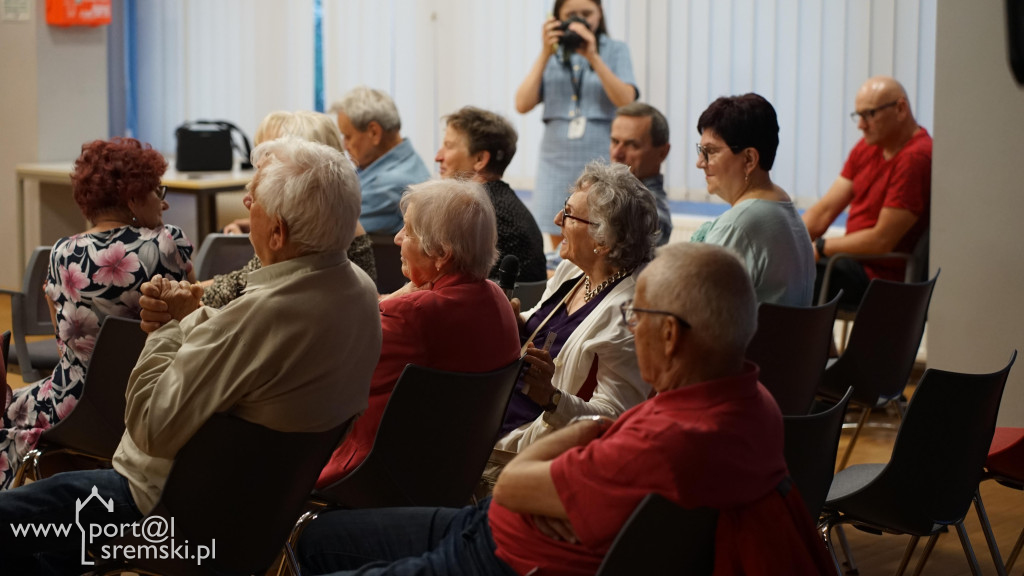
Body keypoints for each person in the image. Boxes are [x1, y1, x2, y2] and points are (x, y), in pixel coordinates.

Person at [295, 243, 835, 576]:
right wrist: (588, 453)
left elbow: (513, 484)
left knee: (315, 546)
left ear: (670, 334)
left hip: (497, 559)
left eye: (638, 317)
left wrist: (586, 437)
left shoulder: (660, 445)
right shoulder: (754, 406)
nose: (632, 329)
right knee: (319, 538)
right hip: (487, 528)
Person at [0, 137, 383, 573]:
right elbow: (242, 351)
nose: (245, 202)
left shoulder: (257, 318)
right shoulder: (360, 293)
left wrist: (168, 327)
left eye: (253, 198)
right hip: (254, 519)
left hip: (160, 509)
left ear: (278, 233)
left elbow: (148, 426)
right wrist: (193, 317)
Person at [0, 137, 194, 490]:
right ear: (133, 198)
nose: (163, 202)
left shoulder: (61, 253)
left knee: (7, 409)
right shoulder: (168, 244)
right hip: (155, 404)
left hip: (76, 408)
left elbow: (64, 345)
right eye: (157, 191)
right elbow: (193, 318)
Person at [316, 179, 521, 488]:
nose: (398, 238)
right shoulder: (497, 300)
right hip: (450, 475)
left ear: (442, 253)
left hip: (375, 476)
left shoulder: (412, 315)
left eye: (409, 231)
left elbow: (333, 376)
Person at [496, 162, 656, 452]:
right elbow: (542, 326)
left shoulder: (629, 314)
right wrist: (514, 319)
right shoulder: (573, 271)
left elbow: (614, 418)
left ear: (603, 241)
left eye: (569, 214)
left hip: (529, 447)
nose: (557, 219)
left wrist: (552, 398)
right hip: (497, 411)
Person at [204, 110, 377, 307]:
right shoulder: (337, 221)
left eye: (270, 161)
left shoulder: (300, 242)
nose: (259, 169)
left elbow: (240, 288)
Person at [515, 0, 637, 248]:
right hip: (555, 160)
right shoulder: (550, 54)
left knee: (601, 233)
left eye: (586, 13)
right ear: (557, 18)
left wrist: (593, 56)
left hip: (600, 156)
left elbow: (626, 100)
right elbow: (522, 103)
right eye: (571, 14)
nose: (579, 19)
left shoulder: (615, 50)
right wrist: (545, 52)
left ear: (599, 14)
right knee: (560, 236)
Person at [802, 76, 932, 307]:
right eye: (858, 116)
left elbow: (881, 240)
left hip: (880, 277)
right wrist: (787, 240)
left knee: (790, 279)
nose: (860, 125)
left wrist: (821, 247)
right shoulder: (867, 147)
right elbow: (824, 211)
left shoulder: (916, 157)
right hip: (850, 263)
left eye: (869, 115)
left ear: (900, 109)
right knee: (779, 268)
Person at [690, 93, 815, 306]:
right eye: (701, 151)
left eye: (710, 151)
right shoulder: (783, 207)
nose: (700, 163)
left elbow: (696, 308)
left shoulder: (738, 225)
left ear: (749, 159)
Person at [434, 106, 546, 282]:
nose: (438, 157)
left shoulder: (472, 213)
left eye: (448, 146)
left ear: (480, 159)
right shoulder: (511, 206)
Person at [330, 86, 431, 235]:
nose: (344, 145)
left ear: (374, 132)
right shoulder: (408, 160)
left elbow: (329, 229)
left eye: (348, 136)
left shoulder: (390, 184)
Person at [610, 102, 673, 244]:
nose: (617, 153)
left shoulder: (652, 215)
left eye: (632, 145)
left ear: (662, 152)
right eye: (615, 141)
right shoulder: (604, 193)